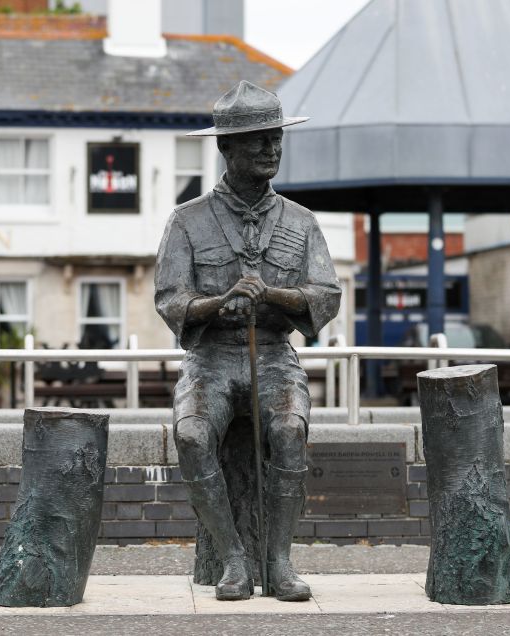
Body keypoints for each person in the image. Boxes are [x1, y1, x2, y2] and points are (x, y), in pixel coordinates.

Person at [155, 81, 341, 601]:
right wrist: (219, 304)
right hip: (211, 359)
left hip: (276, 357)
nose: (271, 149)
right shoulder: (186, 221)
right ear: (225, 148)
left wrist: (274, 297)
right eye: (258, 139)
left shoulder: (301, 222)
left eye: (276, 138)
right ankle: (234, 559)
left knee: (288, 429)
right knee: (191, 437)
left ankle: (278, 561)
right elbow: (170, 299)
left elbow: (325, 295)